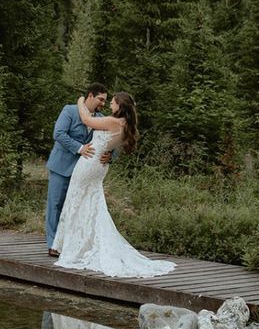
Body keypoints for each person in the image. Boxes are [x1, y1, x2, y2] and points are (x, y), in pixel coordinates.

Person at [52, 92, 176, 278]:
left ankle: (73, 247)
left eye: (113, 102)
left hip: (89, 163)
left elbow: (86, 119)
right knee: (92, 204)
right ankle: (79, 243)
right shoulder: (126, 126)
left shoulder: (113, 122)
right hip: (99, 166)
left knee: (76, 201)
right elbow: (109, 145)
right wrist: (109, 155)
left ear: (120, 105)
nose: (110, 104)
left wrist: (80, 101)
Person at [46, 84, 109, 256]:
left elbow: (111, 138)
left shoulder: (101, 118)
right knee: (56, 205)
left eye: (105, 100)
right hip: (61, 167)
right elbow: (58, 133)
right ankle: (53, 244)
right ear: (90, 96)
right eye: (100, 99)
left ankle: (69, 243)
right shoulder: (69, 111)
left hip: (84, 173)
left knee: (77, 207)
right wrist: (80, 148)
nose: (103, 103)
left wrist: (111, 154)